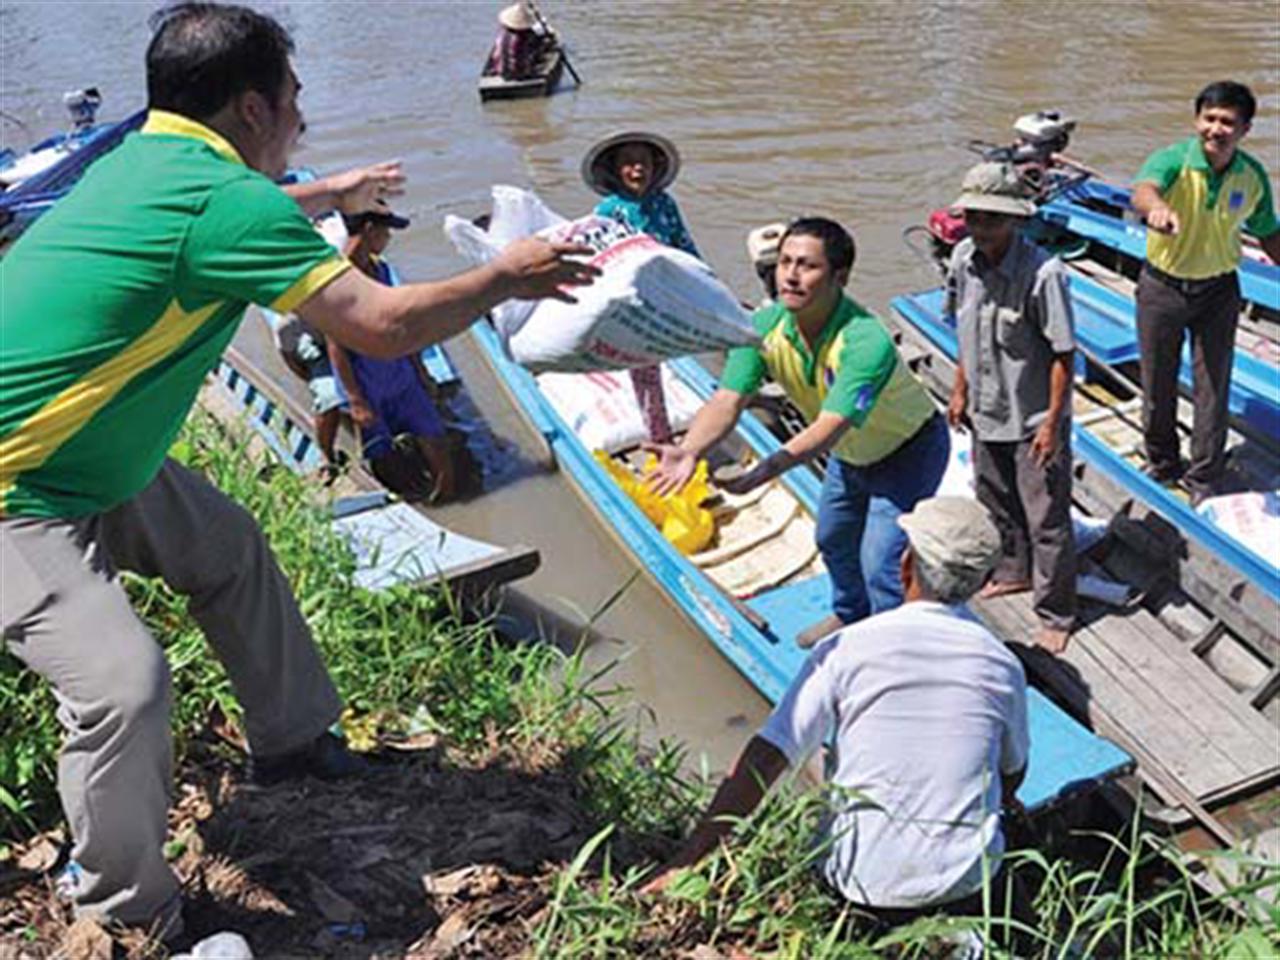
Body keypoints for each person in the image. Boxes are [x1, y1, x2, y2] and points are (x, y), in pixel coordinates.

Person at [0, 2, 594, 938]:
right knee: (123, 685)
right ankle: (125, 906)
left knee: (229, 550)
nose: (301, 115)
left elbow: (252, 209)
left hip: (88, 458)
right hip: (16, 488)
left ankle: (294, 746)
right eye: (294, 97)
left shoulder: (140, 162)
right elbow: (384, 325)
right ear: (250, 110)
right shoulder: (220, 202)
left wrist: (339, 188)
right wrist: (505, 278)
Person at [643, 497, 1030, 941]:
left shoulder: (845, 648)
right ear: (980, 584)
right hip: (965, 882)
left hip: (860, 887)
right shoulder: (1002, 665)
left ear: (906, 566)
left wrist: (693, 855)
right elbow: (1013, 770)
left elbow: (771, 755)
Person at [647, 218, 949, 647]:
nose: (789, 274)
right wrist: (689, 449)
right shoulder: (765, 326)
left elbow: (829, 426)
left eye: (806, 265)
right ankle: (850, 613)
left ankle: (891, 648)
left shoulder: (864, 340)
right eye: (785, 262)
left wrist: (766, 469)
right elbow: (728, 398)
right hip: (852, 453)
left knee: (881, 561)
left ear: (839, 277)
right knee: (831, 537)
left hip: (908, 451)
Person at [945, 162, 1077, 654]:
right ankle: (1012, 570)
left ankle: (1056, 611)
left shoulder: (1044, 274)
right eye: (974, 217)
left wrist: (1052, 424)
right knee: (995, 499)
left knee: (1047, 518)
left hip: (1033, 415)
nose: (981, 229)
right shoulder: (962, 259)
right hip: (986, 408)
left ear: (1014, 220)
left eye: (992, 219)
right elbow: (965, 332)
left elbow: (1063, 354)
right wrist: (960, 391)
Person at [1131, 80, 1280, 503]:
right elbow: (1144, 189)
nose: (1216, 129)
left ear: (1245, 129)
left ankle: (1204, 476)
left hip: (1219, 291)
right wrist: (1156, 208)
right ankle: (1161, 463)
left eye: (1228, 122)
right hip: (1163, 288)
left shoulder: (1251, 177)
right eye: (1209, 118)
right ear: (1197, 120)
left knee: (1213, 386)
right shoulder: (1174, 161)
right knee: (1158, 382)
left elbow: (1269, 232)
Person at [331, 201, 457, 500]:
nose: (389, 239)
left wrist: (421, 371)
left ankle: (446, 496)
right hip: (366, 379)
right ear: (370, 229)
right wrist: (356, 400)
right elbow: (335, 345)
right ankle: (400, 499)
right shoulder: (338, 279)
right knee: (381, 452)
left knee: (434, 437)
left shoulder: (380, 269)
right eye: (386, 231)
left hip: (398, 369)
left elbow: (400, 324)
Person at [584, 130, 700, 444]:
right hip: (633, 304)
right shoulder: (607, 212)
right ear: (615, 170)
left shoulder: (663, 203)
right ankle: (659, 439)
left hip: (667, 292)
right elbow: (600, 260)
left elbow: (683, 244)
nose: (637, 170)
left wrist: (706, 283)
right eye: (628, 163)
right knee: (646, 372)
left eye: (643, 163)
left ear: (654, 166)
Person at [487, 3, 550, 81]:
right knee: (539, 49)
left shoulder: (501, 33)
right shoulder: (522, 37)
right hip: (518, 73)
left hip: (500, 71)